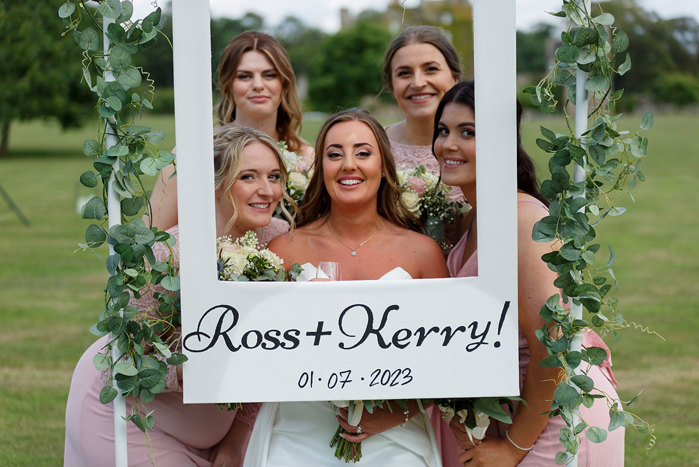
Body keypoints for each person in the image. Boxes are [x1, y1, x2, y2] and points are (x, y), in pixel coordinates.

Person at [64, 126, 294, 466]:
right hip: (130, 419)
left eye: (274, 176)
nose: (267, 190)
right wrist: (183, 372)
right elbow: (122, 358)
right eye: (248, 176)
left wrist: (235, 440)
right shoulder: (166, 253)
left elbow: (272, 351)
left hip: (217, 430)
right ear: (216, 184)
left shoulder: (278, 239)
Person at [430, 81, 625, 466]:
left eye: (468, 132)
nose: (448, 144)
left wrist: (513, 448)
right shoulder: (471, 220)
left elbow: (551, 347)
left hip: (559, 416)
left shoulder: (524, 222)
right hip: (516, 410)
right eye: (443, 130)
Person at [242, 109, 448, 466]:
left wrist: (394, 413)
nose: (348, 164)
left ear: (384, 166)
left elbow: (450, 359)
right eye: (334, 154)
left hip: (394, 433)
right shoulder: (284, 251)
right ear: (321, 168)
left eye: (363, 153)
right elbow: (255, 352)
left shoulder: (422, 253)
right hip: (297, 427)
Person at [149, 30, 313, 232]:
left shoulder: (307, 158)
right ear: (228, 84)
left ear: (284, 83)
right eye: (244, 76)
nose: (258, 85)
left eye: (269, 75)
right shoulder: (193, 153)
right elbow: (153, 237)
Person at [382, 26, 460, 177]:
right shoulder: (373, 147)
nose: (417, 83)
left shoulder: (482, 145)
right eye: (404, 73)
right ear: (392, 85)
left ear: (455, 78)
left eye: (431, 69)